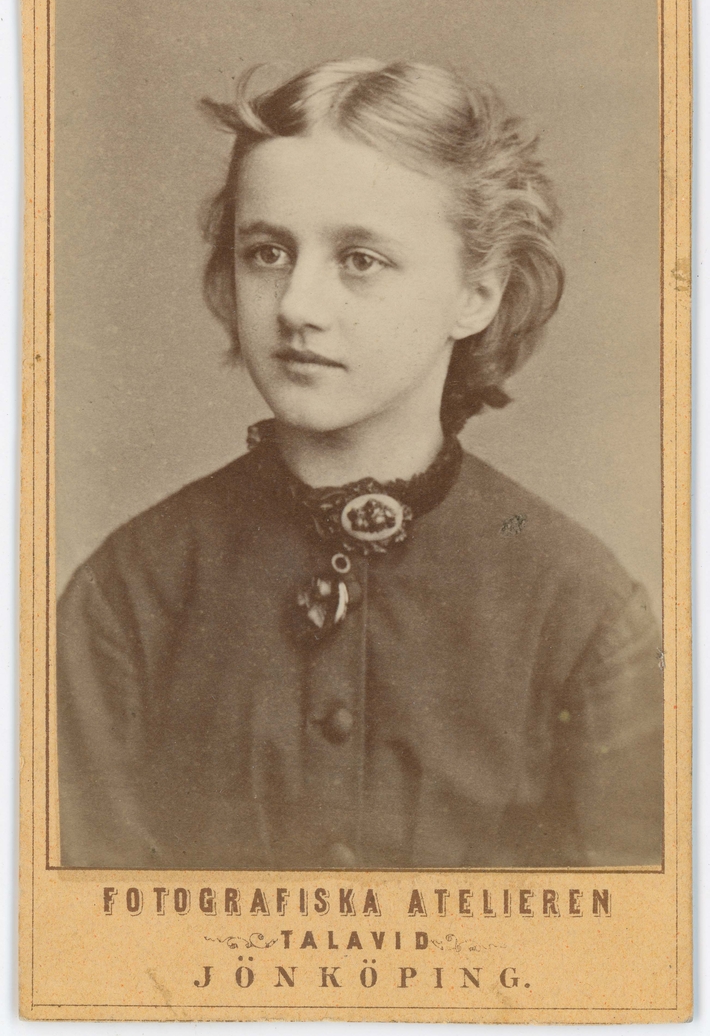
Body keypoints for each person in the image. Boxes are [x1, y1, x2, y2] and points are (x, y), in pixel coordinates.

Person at [57, 58, 663, 870]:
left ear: (477, 294)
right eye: (267, 252)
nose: (297, 306)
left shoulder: (581, 611)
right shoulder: (131, 595)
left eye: (360, 260)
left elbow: (635, 931)